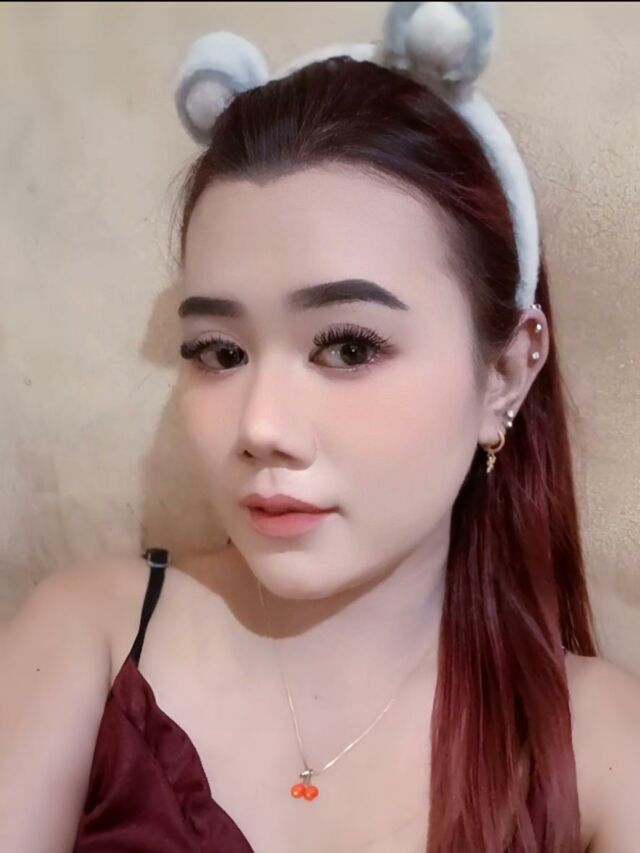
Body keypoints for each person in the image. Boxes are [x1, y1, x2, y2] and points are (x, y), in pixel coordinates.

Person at [2, 3, 639, 852]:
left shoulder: (598, 748)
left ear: (505, 374)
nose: (262, 426)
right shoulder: (88, 634)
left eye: (348, 346)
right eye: (220, 351)